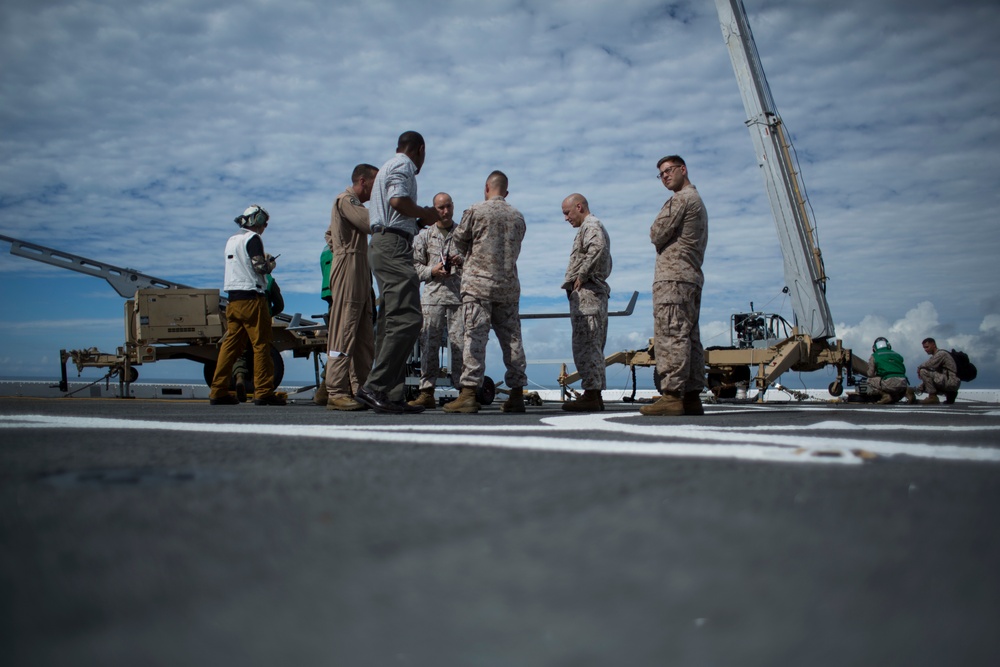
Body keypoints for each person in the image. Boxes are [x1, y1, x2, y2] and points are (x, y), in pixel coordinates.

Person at [356, 131, 442, 414]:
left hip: (386, 243)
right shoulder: (404, 165)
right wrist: (426, 214)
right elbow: (397, 201)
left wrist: (416, 222)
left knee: (392, 321)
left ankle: (390, 394)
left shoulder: (387, 168)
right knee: (409, 318)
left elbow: (394, 213)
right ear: (420, 149)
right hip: (392, 247)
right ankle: (375, 387)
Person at [443, 171, 528, 414]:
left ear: (486, 188)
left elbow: (459, 241)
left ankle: (469, 393)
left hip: (478, 286)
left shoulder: (476, 211)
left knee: (475, 339)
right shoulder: (518, 217)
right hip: (508, 287)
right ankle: (517, 394)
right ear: (506, 192)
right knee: (512, 341)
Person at [640, 156, 708, 417]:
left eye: (669, 171)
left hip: (673, 277)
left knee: (671, 334)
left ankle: (671, 396)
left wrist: (658, 236)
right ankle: (691, 396)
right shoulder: (697, 200)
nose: (665, 176)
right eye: (661, 174)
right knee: (689, 337)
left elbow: (656, 233)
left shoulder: (681, 199)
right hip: (689, 276)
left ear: (683, 169)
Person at [209, 204, 286, 406]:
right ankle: (263, 391)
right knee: (261, 345)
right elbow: (260, 267)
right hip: (253, 299)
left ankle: (217, 390)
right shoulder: (253, 239)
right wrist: (271, 265)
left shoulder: (231, 240)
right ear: (257, 220)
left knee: (230, 346)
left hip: (233, 301)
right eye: (264, 223)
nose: (265, 227)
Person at [321, 164, 380, 411]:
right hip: (349, 267)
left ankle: (361, 389)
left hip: (359, 267)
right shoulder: (346, 200)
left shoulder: (352, 204)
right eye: (375, 183)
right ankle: (336, 391)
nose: (377, 189)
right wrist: (344, 254)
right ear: (363, 181)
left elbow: (329, 235)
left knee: (364, 335)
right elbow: (370, 224)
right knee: (344, 330)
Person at [408, 192, 465, 409]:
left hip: (458, 298)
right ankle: (427, 391)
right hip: (432, 298)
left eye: (448, 206)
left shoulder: (462, 235)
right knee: (429, 344)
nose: (446, 211)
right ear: (434, 210)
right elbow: (413, 266)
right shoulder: (424, 236)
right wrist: (431, 271)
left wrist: (461, 261)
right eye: (441, 208)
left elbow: (476, 262)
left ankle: (463, 392)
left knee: (460, 345)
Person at [559, 194, 612, 412]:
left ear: (579, 207)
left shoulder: (591, 225)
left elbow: (597, 247)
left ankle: (591, 394)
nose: (566, 218)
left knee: (587, 345)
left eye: (567, 212)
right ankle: (594, 394)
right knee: (590, 346)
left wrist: (581, 274)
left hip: (589, 294)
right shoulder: (589, 227)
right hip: (589, 294)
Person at [910, 337, 960, 404]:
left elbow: (930, 364)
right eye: (924, 348)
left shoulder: (941, 354)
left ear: (933, 345)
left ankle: (932, 397)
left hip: (950, 381)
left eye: (927, 347)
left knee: (923, 371)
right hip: (948, 381)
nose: (925, 350)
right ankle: (950, 394)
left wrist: (919, 368)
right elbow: (928, 380)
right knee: (928, 379)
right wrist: (916, 389)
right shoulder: (935, 356)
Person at [866, 337, 908, 404]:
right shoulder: (897, 355)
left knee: (869, 380)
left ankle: (885, 396)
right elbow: (903, 369)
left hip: (888, 382)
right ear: (888, 345)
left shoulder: (874, 356)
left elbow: (870, 374)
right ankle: (907, 393)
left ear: (874, 348)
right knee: (895, 399)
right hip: (903, 383)